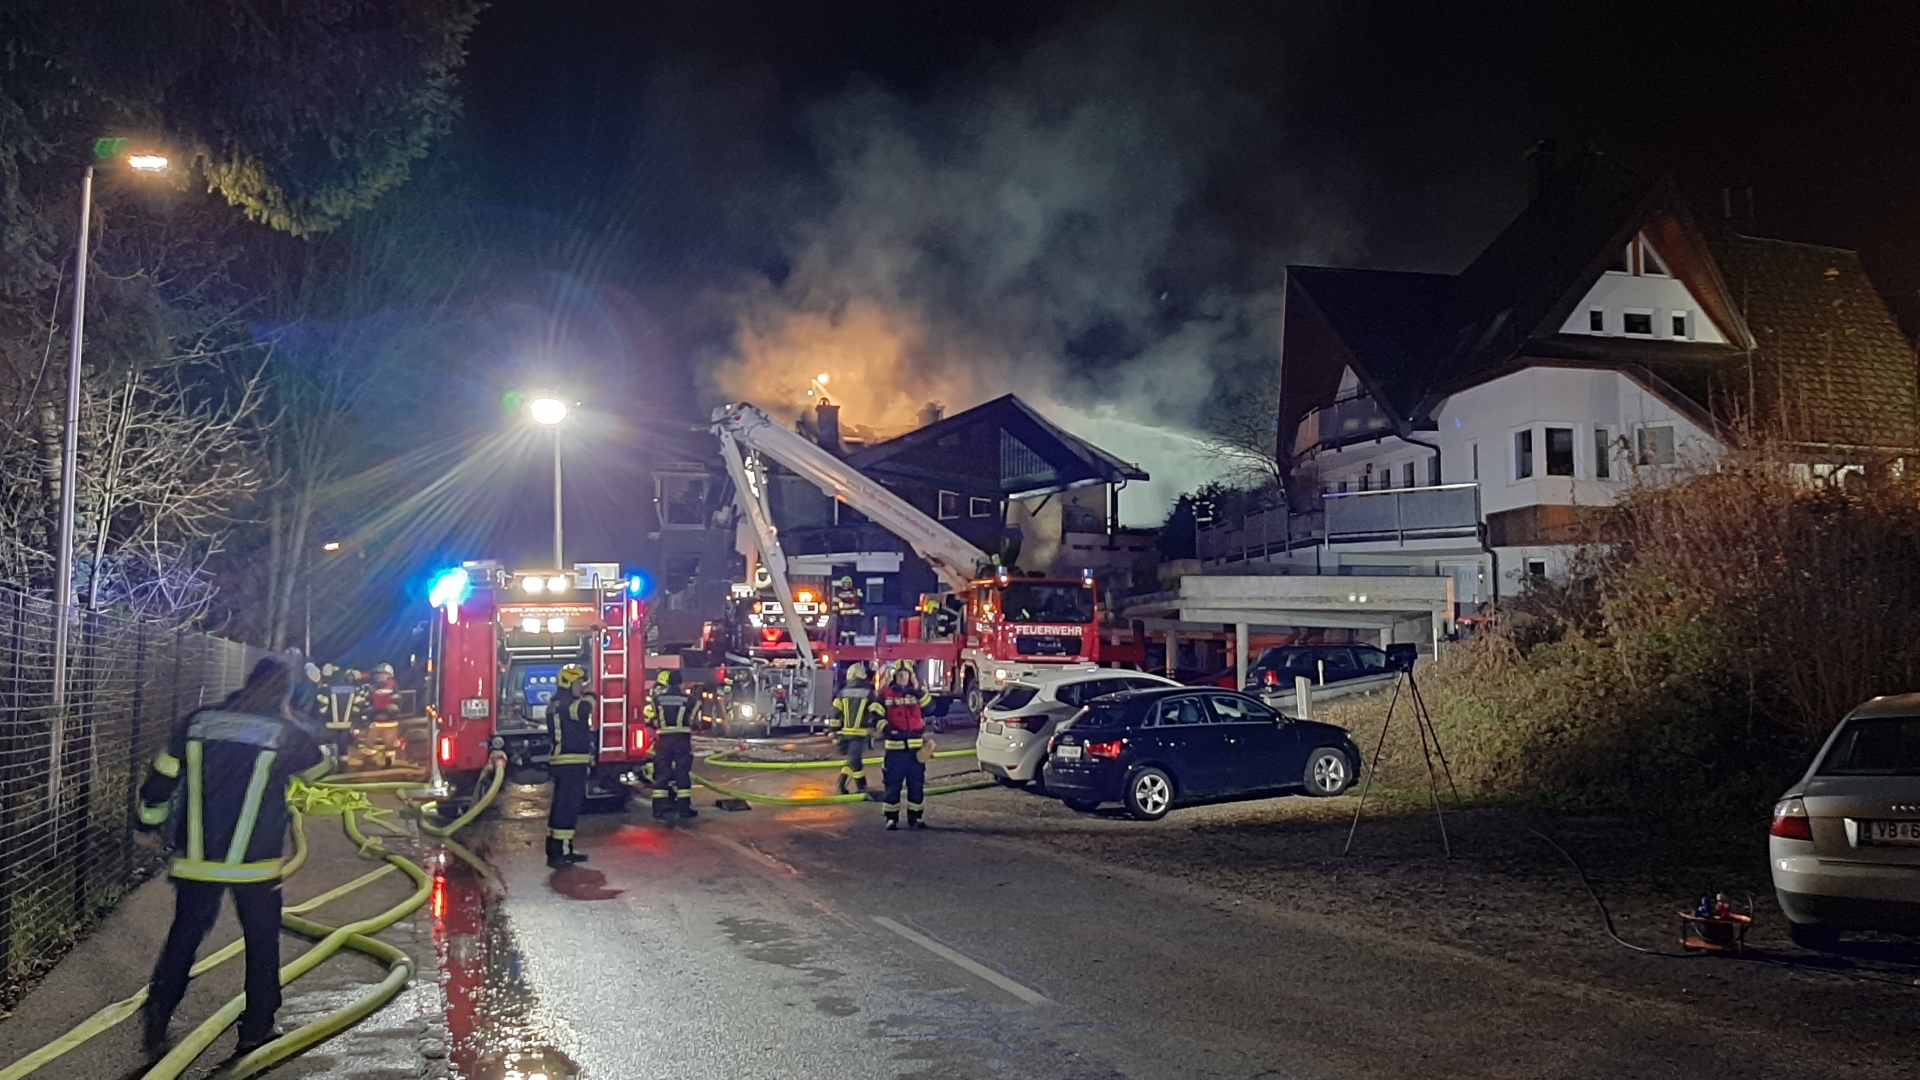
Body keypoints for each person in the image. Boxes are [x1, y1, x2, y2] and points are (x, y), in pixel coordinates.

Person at [136, 656, 331, 1059]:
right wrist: (299, 722)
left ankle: (158, 1011)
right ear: (283, 692)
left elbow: (161, 777)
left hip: (197, 860)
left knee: (184, 936)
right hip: (255, 865)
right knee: (262, 943)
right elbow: (321, 770)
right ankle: (256, 1030)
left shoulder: (199, 722)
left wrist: (148, 824)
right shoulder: (284, 732)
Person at [545, 664, 595, 867]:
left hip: (565, 762)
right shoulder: (568, 705)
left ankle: (559, 849)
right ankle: (561, 852)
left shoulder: (556, 703)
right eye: (578, 683)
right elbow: (585, 709)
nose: (581, 687)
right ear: (567, 683)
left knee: (561, 807)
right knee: (567, 807)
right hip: (571, 762)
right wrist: (592, 693)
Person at [878, 661, 932, 830]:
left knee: (916, 784)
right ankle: (891, 818)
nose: (903, 677)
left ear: (911, 676)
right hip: (896, 750)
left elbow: (931, 708)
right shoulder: (885, 694)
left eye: (906, 674)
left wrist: (917, 690)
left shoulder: (917, 694)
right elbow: (874, 717)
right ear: (894, 676)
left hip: (916, 750)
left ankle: (915, 817)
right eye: (900, 674)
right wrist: (887, 729)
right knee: (893, 784)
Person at [644, 670, 697, 820]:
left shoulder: (657, 699)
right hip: (682, 739)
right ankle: (684, 809)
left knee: (662, 772)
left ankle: (658, 810)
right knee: (682, 773)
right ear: (680, 682)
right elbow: (692, 720)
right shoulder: (690, 700)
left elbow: (653, 718)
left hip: (664, 740)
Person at [828, 662, 882, 795]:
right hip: (862, 732)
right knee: (852, 760)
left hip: (846, 733)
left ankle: (862, 786)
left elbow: (836, 713)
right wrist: (877, 727)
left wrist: (833, 731)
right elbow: (875, 711)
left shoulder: (842, 693)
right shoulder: (869, 693)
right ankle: (841, 784)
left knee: (855, 759)